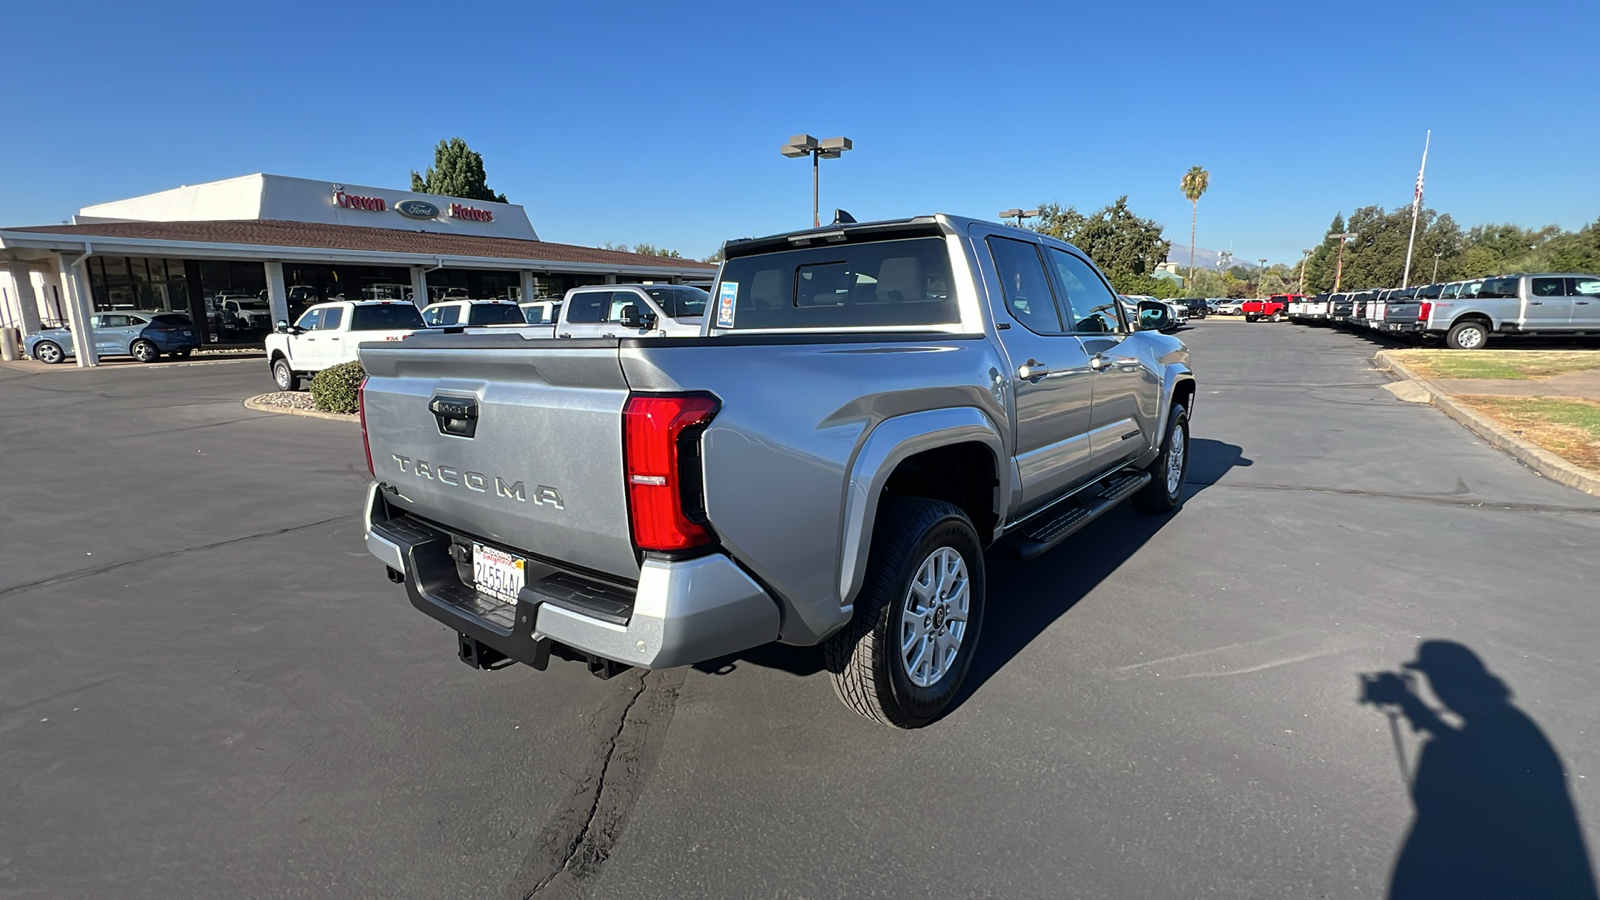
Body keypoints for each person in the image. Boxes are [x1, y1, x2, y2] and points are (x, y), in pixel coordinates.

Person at [1365, 641, 1598, 900]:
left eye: (1436, 678)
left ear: (1450, 681)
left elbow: (1466, 774)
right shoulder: (1505, 725)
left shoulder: (1503, 732)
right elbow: (1474, 747)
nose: (1436, 688)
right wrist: (1423, 715)